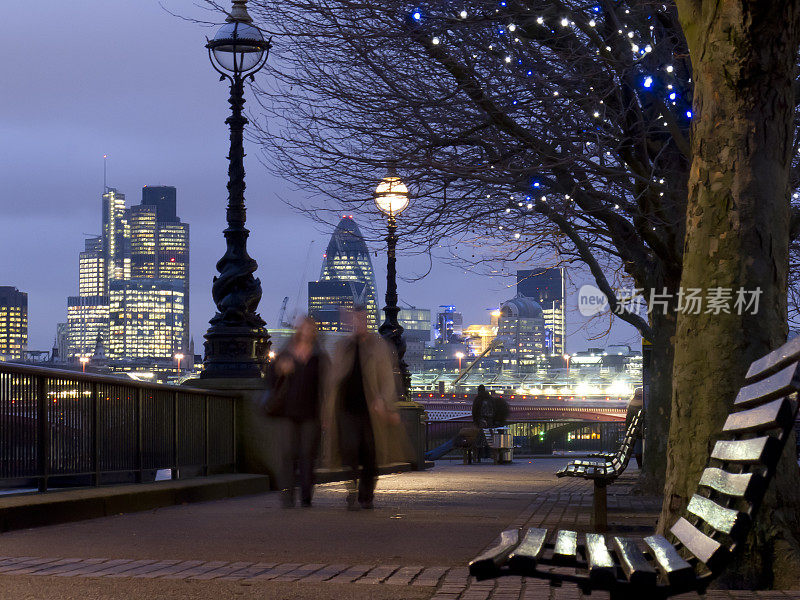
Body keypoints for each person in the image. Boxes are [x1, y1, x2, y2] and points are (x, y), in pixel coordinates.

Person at [324, 308, 408, 510]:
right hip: (346, 408)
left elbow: (388, 379)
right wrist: (327, 411)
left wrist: (384, 402)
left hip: (371, 410)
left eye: (362, 319)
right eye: (355, 319)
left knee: (371, 453)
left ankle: (366, 493)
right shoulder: (342, 346)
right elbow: (332, 380)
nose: (358, 323)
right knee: (350, 449)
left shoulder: (379, 346)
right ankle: (352, 486)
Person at [270, 316, 327, 508]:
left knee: (307, 455)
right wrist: (280, 369)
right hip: (287, 412)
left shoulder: (319, 357)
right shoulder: (285, 353)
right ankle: (287, 495)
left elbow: (325, 386)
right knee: (287, 454)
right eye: (302, 328)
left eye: (309, 329)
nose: (305, 332)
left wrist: (326, 411)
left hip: (311, 413)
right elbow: (270, 378)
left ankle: (305, 496)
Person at [626, 387, 644, 468]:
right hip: (643, 430)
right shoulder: (644, 404)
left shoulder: (632, 404)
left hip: (636, 431)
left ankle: (639, 465)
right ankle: (641, 466)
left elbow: (628, 419)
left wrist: (627, 429)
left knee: (638, 448)